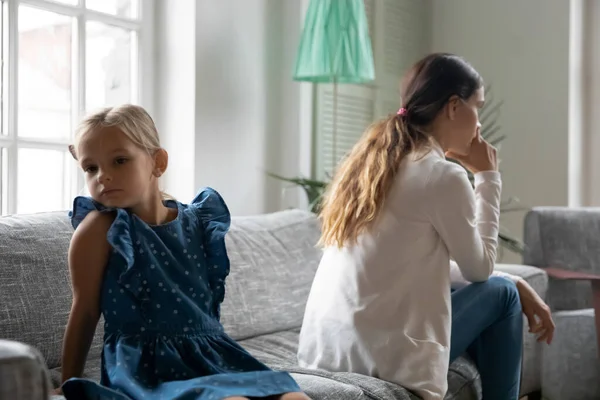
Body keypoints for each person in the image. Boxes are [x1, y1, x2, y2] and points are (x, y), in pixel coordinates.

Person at [296, 53, 555, 400]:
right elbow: (480, 270)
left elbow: (407, 264)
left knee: (497, 289)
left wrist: (516, 278)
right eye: (476, 107)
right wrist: (488, 177)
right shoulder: (441, 175)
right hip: (381, 360)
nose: (478, 124)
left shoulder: (373, 164)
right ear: (452, 107)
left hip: (325, 352)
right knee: (503, 297)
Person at [54, 104, 309, 400]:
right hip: (145, 366)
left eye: (119, 161)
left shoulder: (197, 222)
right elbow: (84, 311)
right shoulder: (99, 229)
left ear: (157, 162)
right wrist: (68, 380)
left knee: (295, 397)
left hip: (213, 354)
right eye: (91, 168)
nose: (103, 177)